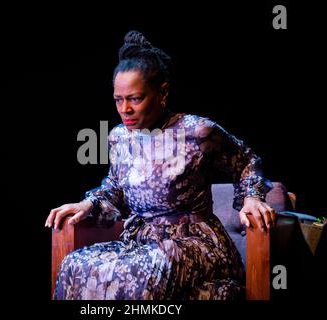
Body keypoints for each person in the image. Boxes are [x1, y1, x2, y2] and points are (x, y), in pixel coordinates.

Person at [45, 31, 274, 300]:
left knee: (145, 269)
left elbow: (246, 160)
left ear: (162, 92)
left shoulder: (197, 131)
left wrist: (251, 198)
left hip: (193, 242)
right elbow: (115, 189)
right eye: (119, 99)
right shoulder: (119, 137)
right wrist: (89, 204)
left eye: (135, 98)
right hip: (139, 242)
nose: (125, 109)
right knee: (74, 264)